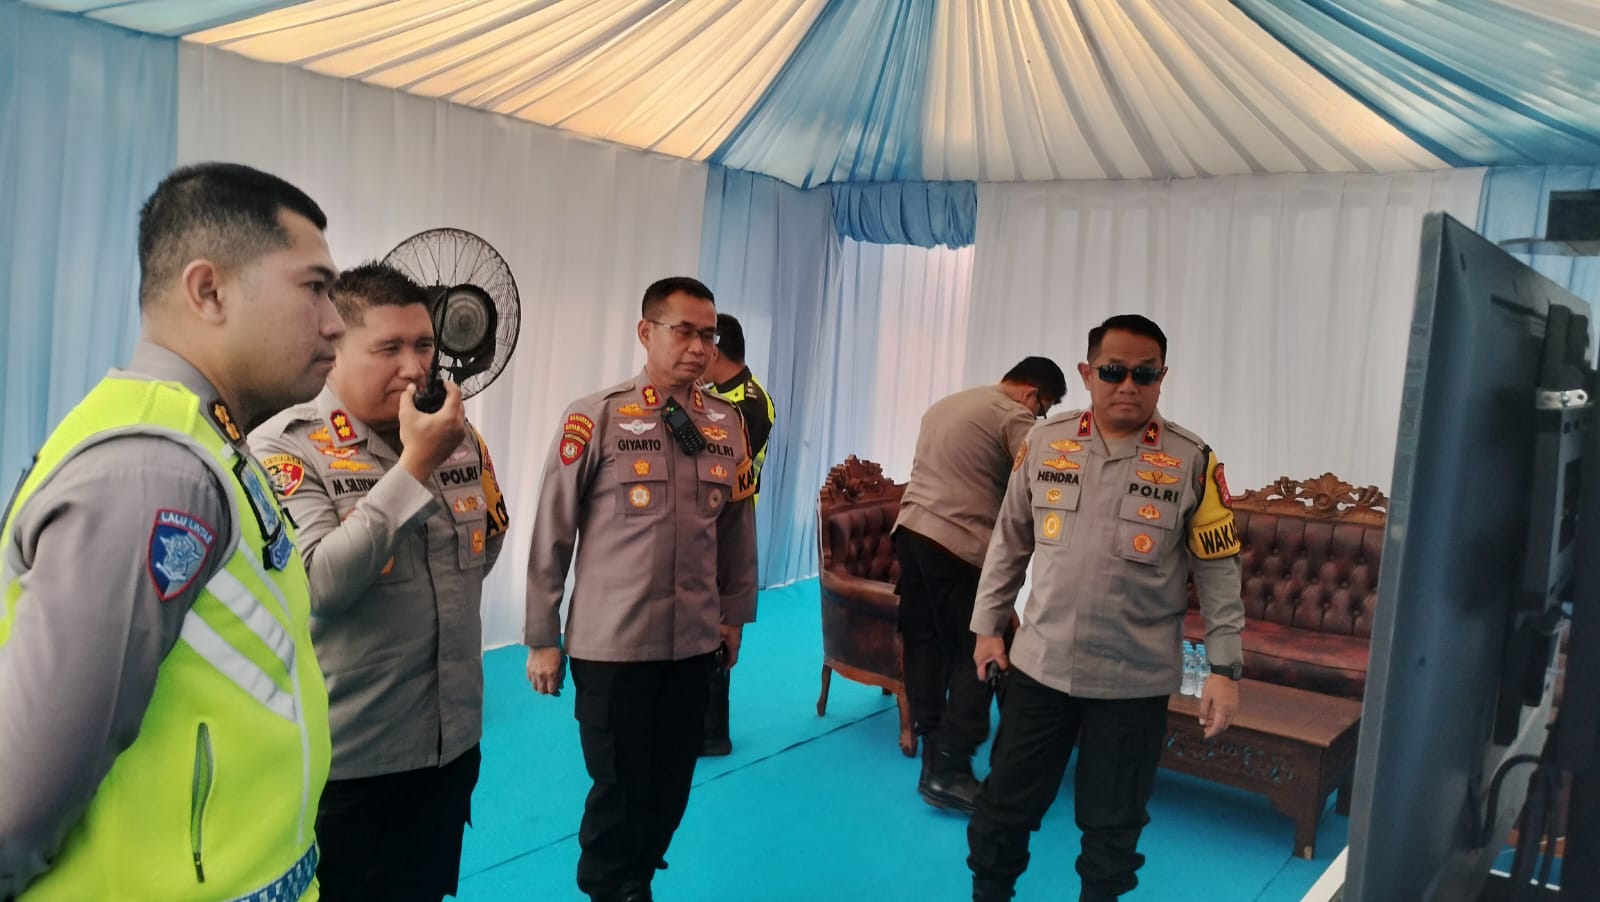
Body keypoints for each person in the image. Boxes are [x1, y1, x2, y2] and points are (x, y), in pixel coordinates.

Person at [0, 162, 343, 900]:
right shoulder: (155, 473)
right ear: (209, 291)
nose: (335, 321)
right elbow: (13, 809)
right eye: (315, 287)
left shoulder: (199, 442)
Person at [250, 261, 509, 902]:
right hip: (350, 763)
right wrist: (415, 466)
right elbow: (319, 586)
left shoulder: (458, 439)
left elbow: (482, 550)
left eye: (424, 345)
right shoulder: (286, 447)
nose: (415, 367)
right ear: (334, 347)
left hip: (449, 745)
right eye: (388, 348)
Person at [966, 314, 1246, 902]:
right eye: (1114, 371)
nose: (1128, 385)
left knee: (1113, 830)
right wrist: (988, 627)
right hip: (1042, 667)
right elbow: (1009, 541)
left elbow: (1219, 572)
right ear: (1087, 373)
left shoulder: (1193, 461)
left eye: (1144, 373)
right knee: (1003, 808)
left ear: (1162, 377)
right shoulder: (1045, 442)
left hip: (1133, 680)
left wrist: (1224, 669)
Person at [525, 276, 759, 902]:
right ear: (646, 332)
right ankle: (612, 887)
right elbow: (553, 527)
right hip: (614, 645)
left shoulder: (725, 424)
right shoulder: (596, 416)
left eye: (708, 335)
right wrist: (543, 635)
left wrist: (733, 616)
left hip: (693, 643)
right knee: (620, 785)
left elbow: (737, 530)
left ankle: (636, 877)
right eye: (684, 331)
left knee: (672, 784)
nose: (699, 347)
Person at [893, 358, 1067, 813]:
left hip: (911, 534)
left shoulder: (948, 403)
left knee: (926, 647)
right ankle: (952, 766)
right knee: (984, 648)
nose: (1040, 416)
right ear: (1032, 395)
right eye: (1045, 408)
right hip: (959, 545)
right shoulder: (1015, 417)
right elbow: (1046, 483)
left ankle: (934, 762)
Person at [699, 311, 776, 757]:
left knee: (717, 629)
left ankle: (712, 733)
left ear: (716, 350)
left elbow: (719, 463)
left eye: (701, 343)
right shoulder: (714, 394)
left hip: (727, 528)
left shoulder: (749, 403)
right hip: (703, 526)